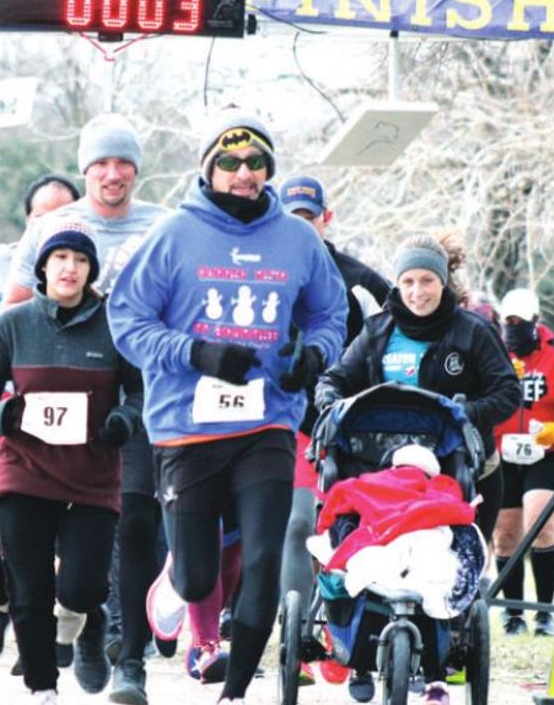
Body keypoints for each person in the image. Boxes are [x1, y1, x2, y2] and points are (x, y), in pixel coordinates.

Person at [108, 110, 349, 704]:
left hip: (268, 420)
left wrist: (312, 357)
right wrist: (197, 352)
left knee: (265, 556)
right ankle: (180, 580)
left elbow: (329, 314)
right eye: (231, 162)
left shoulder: (297, 239)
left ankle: (235, 692)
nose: (245, 173)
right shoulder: (172, 235)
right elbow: (126, 321)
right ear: (209, 169)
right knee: (196, 574)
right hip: (187, 428)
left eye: (257, 163)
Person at [315, 232, 521, 704]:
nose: (417, 292)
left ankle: (437, 663)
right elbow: (338, 377)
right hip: (382, 469)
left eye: (426, 280)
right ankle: (359, 652)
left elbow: (507, 392)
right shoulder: (378, 331)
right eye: (407, 281)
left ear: (443, 282)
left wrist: (468, 411)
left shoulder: (471, 332)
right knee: (361, 546)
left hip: (457, 465)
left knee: (446, 562)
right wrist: (329, 397)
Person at [7, 115, 167, 703]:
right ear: (84, 170)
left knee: (138, 521)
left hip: (141, 393)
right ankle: (90, 617)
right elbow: (14, 310)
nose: (112, 173)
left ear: (136, 170)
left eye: (123, 162)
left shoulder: (163, 226)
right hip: (66, 397)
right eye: (100, 163)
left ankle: (131, 661)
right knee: (74, 535)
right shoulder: (55, 227)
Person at [0, 228, 143, 703]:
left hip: (92, 475)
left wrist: (125, 419)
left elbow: (145, 390)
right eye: (59, 257)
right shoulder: (15, 324)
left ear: (90, 272)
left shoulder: (114, 325)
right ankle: (42, 688)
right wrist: (1, 415)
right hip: (25, 471)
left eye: (79, 260)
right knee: (31, 590)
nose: (68, 268)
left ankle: (89, 619)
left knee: (80, 586)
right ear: (42, 267)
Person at [275, 175, 391, 685]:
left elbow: (400, 330)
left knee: (352, 530)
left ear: (327, 219)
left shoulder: (361, 280)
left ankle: (357, 644)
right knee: (299, 526)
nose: (302, 228)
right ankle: (297, 642)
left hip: (354, 428)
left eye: (310, 218)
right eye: (292, 219)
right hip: (292, 424)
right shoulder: (269, 273)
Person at [492, 288, 554, 638]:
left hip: (547, 452)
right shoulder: (495, 353)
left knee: (541, 523)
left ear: (536, 323)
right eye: (508, 322)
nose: (514, 328)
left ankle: (545, 612)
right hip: (502, 452)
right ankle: (513, 613)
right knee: (505, 535)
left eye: (521, 322)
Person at [0, 174, 80, 341]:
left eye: (61, 217)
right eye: (42, 218)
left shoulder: (87, 263)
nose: (50, 226)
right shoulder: (4, 259)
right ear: (28, 220)